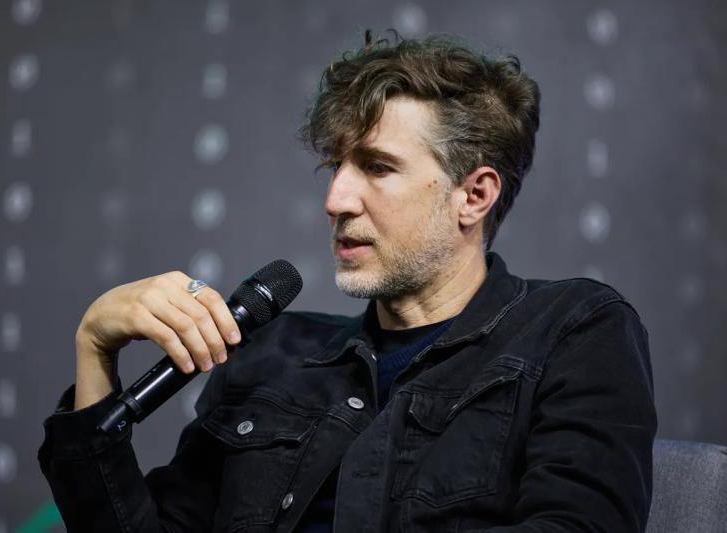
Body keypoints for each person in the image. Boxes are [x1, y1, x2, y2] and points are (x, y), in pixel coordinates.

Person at [39, 31, 657, 532]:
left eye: (378, 167)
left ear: (474, 195)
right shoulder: (270, 353)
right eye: (336, 166)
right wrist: (96, 348)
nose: (336, 200)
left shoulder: (573, 330)